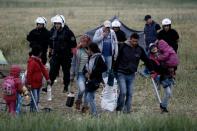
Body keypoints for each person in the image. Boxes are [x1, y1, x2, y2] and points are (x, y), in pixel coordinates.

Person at [114, 33, 152, 113]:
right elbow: (116, 58)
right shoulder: (123, 47)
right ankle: (119, 108)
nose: (135, 43)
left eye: (136, 41)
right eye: (133, 41)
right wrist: (114, 70)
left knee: (130, 93)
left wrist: (151, 69)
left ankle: (127, 111)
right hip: (121, 73)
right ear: (130, 39)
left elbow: (146, 60)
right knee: (123, 92)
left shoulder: (139, 49)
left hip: (131, 74)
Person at [149, 40, 179, 113]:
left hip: (169, 75)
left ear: (157, 47)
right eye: (152, 48)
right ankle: (163, 106)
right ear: (150, 50)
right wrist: (165, 67)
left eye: (155, 47)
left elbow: (171, 62)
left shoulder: (163, 53)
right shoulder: (151, 59)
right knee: (168, 92)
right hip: (162, 77)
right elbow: (157, 69)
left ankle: (163, 107)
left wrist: (172, 68)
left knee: (169, 94)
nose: (154, 49)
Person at [49, 15, 77, 92]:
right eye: (55, 23)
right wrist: (50, 52)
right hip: (56, 55)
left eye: (58, 23)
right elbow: (51, 42)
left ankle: (66, 86)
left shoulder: (68, 32)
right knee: (52, 71)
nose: (56, 25)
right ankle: (49, 85)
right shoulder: (53, 31)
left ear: (62, 23)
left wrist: (74, 56)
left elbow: (74, 45)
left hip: (66, 56)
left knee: (66, 71)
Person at [83, 43, 107, 116]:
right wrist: (86, 73)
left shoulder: (99, 57)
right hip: (89, 79)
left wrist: (93, 73)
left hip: (95, 80)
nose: (87, 50)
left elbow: (104, 68)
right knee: (87, 94)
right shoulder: (90, 57)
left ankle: (95, 113)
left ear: (91, 49)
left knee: (89, 97)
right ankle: (85, 110)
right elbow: (86, 67)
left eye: (88, 49)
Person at [70, 34, 91, 112]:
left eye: (85, 42)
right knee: (82, 89)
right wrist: (72, 75)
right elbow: (73, 63)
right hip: (80, 73)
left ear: (88, 43)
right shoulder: (76, 50)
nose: (83, 43)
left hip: (89, 74)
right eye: (82, 41)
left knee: (87, 91)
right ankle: (78, 101)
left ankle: (85, 107)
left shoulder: (91, 51)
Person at [26, 46, 50, 112]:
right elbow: (29, 74)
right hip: (33, 85)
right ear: (38, 53)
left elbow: (43, 69)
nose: (41, 54)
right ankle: (33, 111)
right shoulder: (32, 62)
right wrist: (29, 84)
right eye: (40, 52)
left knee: (37, 98)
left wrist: (48, 78)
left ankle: (34, 110)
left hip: (39, 84)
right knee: (35, 98)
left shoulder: (38, 61)